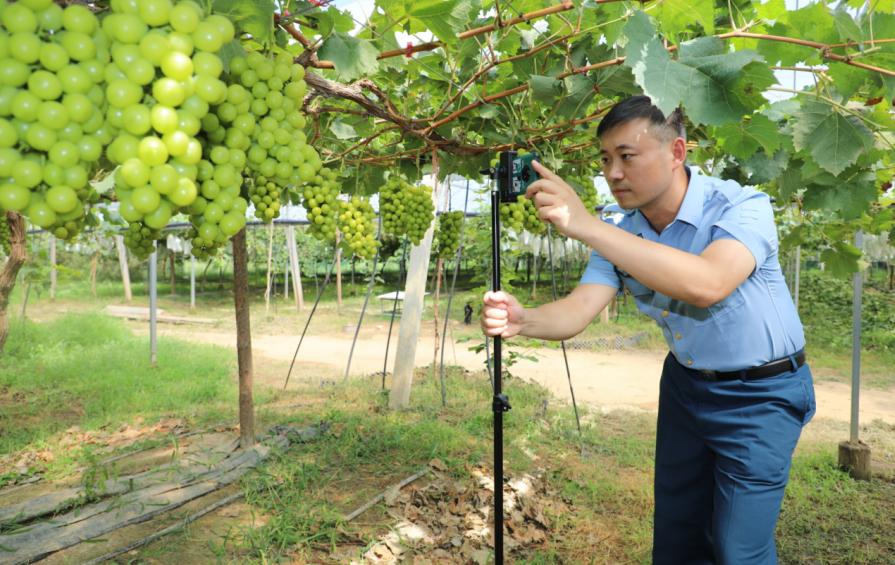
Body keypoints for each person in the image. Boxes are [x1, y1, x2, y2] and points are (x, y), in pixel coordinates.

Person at [481, 95, 815, 565]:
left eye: (626, 156)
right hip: (685, 388)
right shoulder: (621, 230)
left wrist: (586, 225)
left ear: (677, 152)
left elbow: (708, 283)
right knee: (678, 539)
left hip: (761, 394)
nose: (613, 173)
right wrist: (524, 319)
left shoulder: (740, 206)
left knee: (739, 549)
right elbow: (579, 310)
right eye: (605, 159)